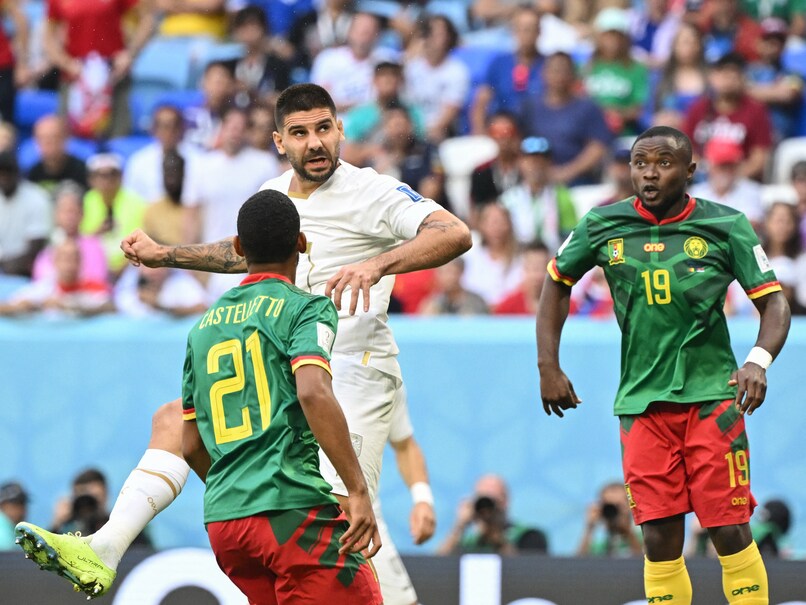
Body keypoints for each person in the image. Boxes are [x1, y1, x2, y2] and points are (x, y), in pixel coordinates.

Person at [14, 82, 471, 599]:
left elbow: (453, 232)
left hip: (350, 367)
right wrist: (167, 255)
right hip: (286, 365)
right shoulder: (272, 197)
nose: (315, 142)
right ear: (279, 141)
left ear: (340, 129)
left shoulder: (373, 191)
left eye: (323, 128)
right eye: (299, 132)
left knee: (342, 519)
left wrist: (377, 264)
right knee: (174, 420)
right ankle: (107, 545)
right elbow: (242, 254)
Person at [537, 125, 791, 604]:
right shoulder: (601, 224)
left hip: (713, 399)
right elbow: (556, 282)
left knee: (728, 528)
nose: (649, 174)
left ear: (690, 170)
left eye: (663, 163)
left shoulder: (727, 224)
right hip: (642, 404)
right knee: (658, 537)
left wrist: (758, 361)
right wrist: (547, 365)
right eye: (640, 163)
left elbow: (773, 302)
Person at [179, 189, 382, 603]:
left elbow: (191, 445)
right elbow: (313, 391)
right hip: (290, 510)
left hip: (225, 524)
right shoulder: (305, 309)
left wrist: (240, 493)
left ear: (238, 248)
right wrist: (357, 491)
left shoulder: (201, 329)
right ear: (301, 243)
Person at [373, 386, 437, 605]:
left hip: (365, 522)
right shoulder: (304, 371)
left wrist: (423, 499)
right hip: (304, 511)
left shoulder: (388, 376)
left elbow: (405, 445)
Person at [520, 52, 612, 187]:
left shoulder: (588, 107)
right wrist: (534, 171)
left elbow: (598, 146)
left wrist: (567, 172)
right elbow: (517, 141)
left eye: (564, 71)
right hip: (535, 181)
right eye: (554, 70)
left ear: (573, 75)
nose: (559, 76)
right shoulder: (530, 107)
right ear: (543, 73)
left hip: (578, 182)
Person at [682, 51, 773, 182]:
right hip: (702, 181)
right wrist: (706, 173)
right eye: (723, 74)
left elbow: (759, 159)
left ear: (742, 79)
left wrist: (730, 179)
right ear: (713, 77)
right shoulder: (698, 108)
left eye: (734, 74)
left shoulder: (756, 111)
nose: (728, 79)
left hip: (741, 182)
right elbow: (685, 151)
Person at [470, 5, 544, 135]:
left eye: (531, 29)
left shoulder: (549, 65)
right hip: (502, 132)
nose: (526, 34)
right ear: (514, 31)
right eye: (522, 29)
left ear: (539, 31)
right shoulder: (500, 63)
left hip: (538, 131)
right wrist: (479, 132)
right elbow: (481, 102)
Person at [437, 474, 548, 555]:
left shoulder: (529, 537)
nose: (487, 510)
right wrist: (459, 527)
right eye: (482, 502)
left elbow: (527, 571)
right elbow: (436, 567)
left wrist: (496, 536)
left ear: (505, 502)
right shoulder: (468, 543)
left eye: (492, 502)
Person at [499, 136, 578, 251]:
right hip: (518, 257)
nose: (536, 165)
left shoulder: (562, 196)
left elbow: (570, 236)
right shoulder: (509, 199)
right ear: (520, 163)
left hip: (553, 256)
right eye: (530, 160)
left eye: (541, 160)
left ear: (549, 163)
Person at [403, 14, 469, 142]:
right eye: (430, 33)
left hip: (439, 132)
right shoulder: (411, 66)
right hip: (409, 129)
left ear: (449, 37)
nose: (433, 38)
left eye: (439, 34)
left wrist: (428, 132)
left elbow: (451, 110)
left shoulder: (457, 71)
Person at [123, 105, 199, 204]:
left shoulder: (198, 160)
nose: (169, 132)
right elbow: (131, 198)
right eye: (164, 126)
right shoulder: (139, 162)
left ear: (181, 128)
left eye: (174, 126)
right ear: (153, 129)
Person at [689, 138, 764, 232]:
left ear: (737, 166)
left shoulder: (752, 191)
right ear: (710, 166)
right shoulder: (697, 193)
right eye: (721, 166)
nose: (726, 171)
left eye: (730, 165)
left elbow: (749, 227)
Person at [0, 150, 52, 278]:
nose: (4, 178)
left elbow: (37, 246)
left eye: (8, 173)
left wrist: (9, 265)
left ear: (17, 173)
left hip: (26, 271)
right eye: (1, 173)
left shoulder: (36, 197)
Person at [577, 481, 643, 557]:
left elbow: (643, 560)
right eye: (608, 506)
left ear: (629, 507)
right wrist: (589, 528)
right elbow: (578, 562)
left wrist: (628, 533)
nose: (613, 511)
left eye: (618, 505)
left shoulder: (644, 536)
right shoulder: (600, 545)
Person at [26, 114, 89, 194]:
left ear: (66, 138)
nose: (47, 143)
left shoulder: (82, 172)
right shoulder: (33, 173)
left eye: (53, 138)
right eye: (42, 138)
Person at [418, 257, 489, 315]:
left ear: (461, 272)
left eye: (450, 271)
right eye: (441, 273)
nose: (446, 277)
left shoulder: (476, 302)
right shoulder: (432, 303)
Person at [0, 482, 29, 550]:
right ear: (2, 504)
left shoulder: (16, 530)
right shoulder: (4, 534)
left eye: (23, 503)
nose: (21, 509)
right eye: (16, 503)